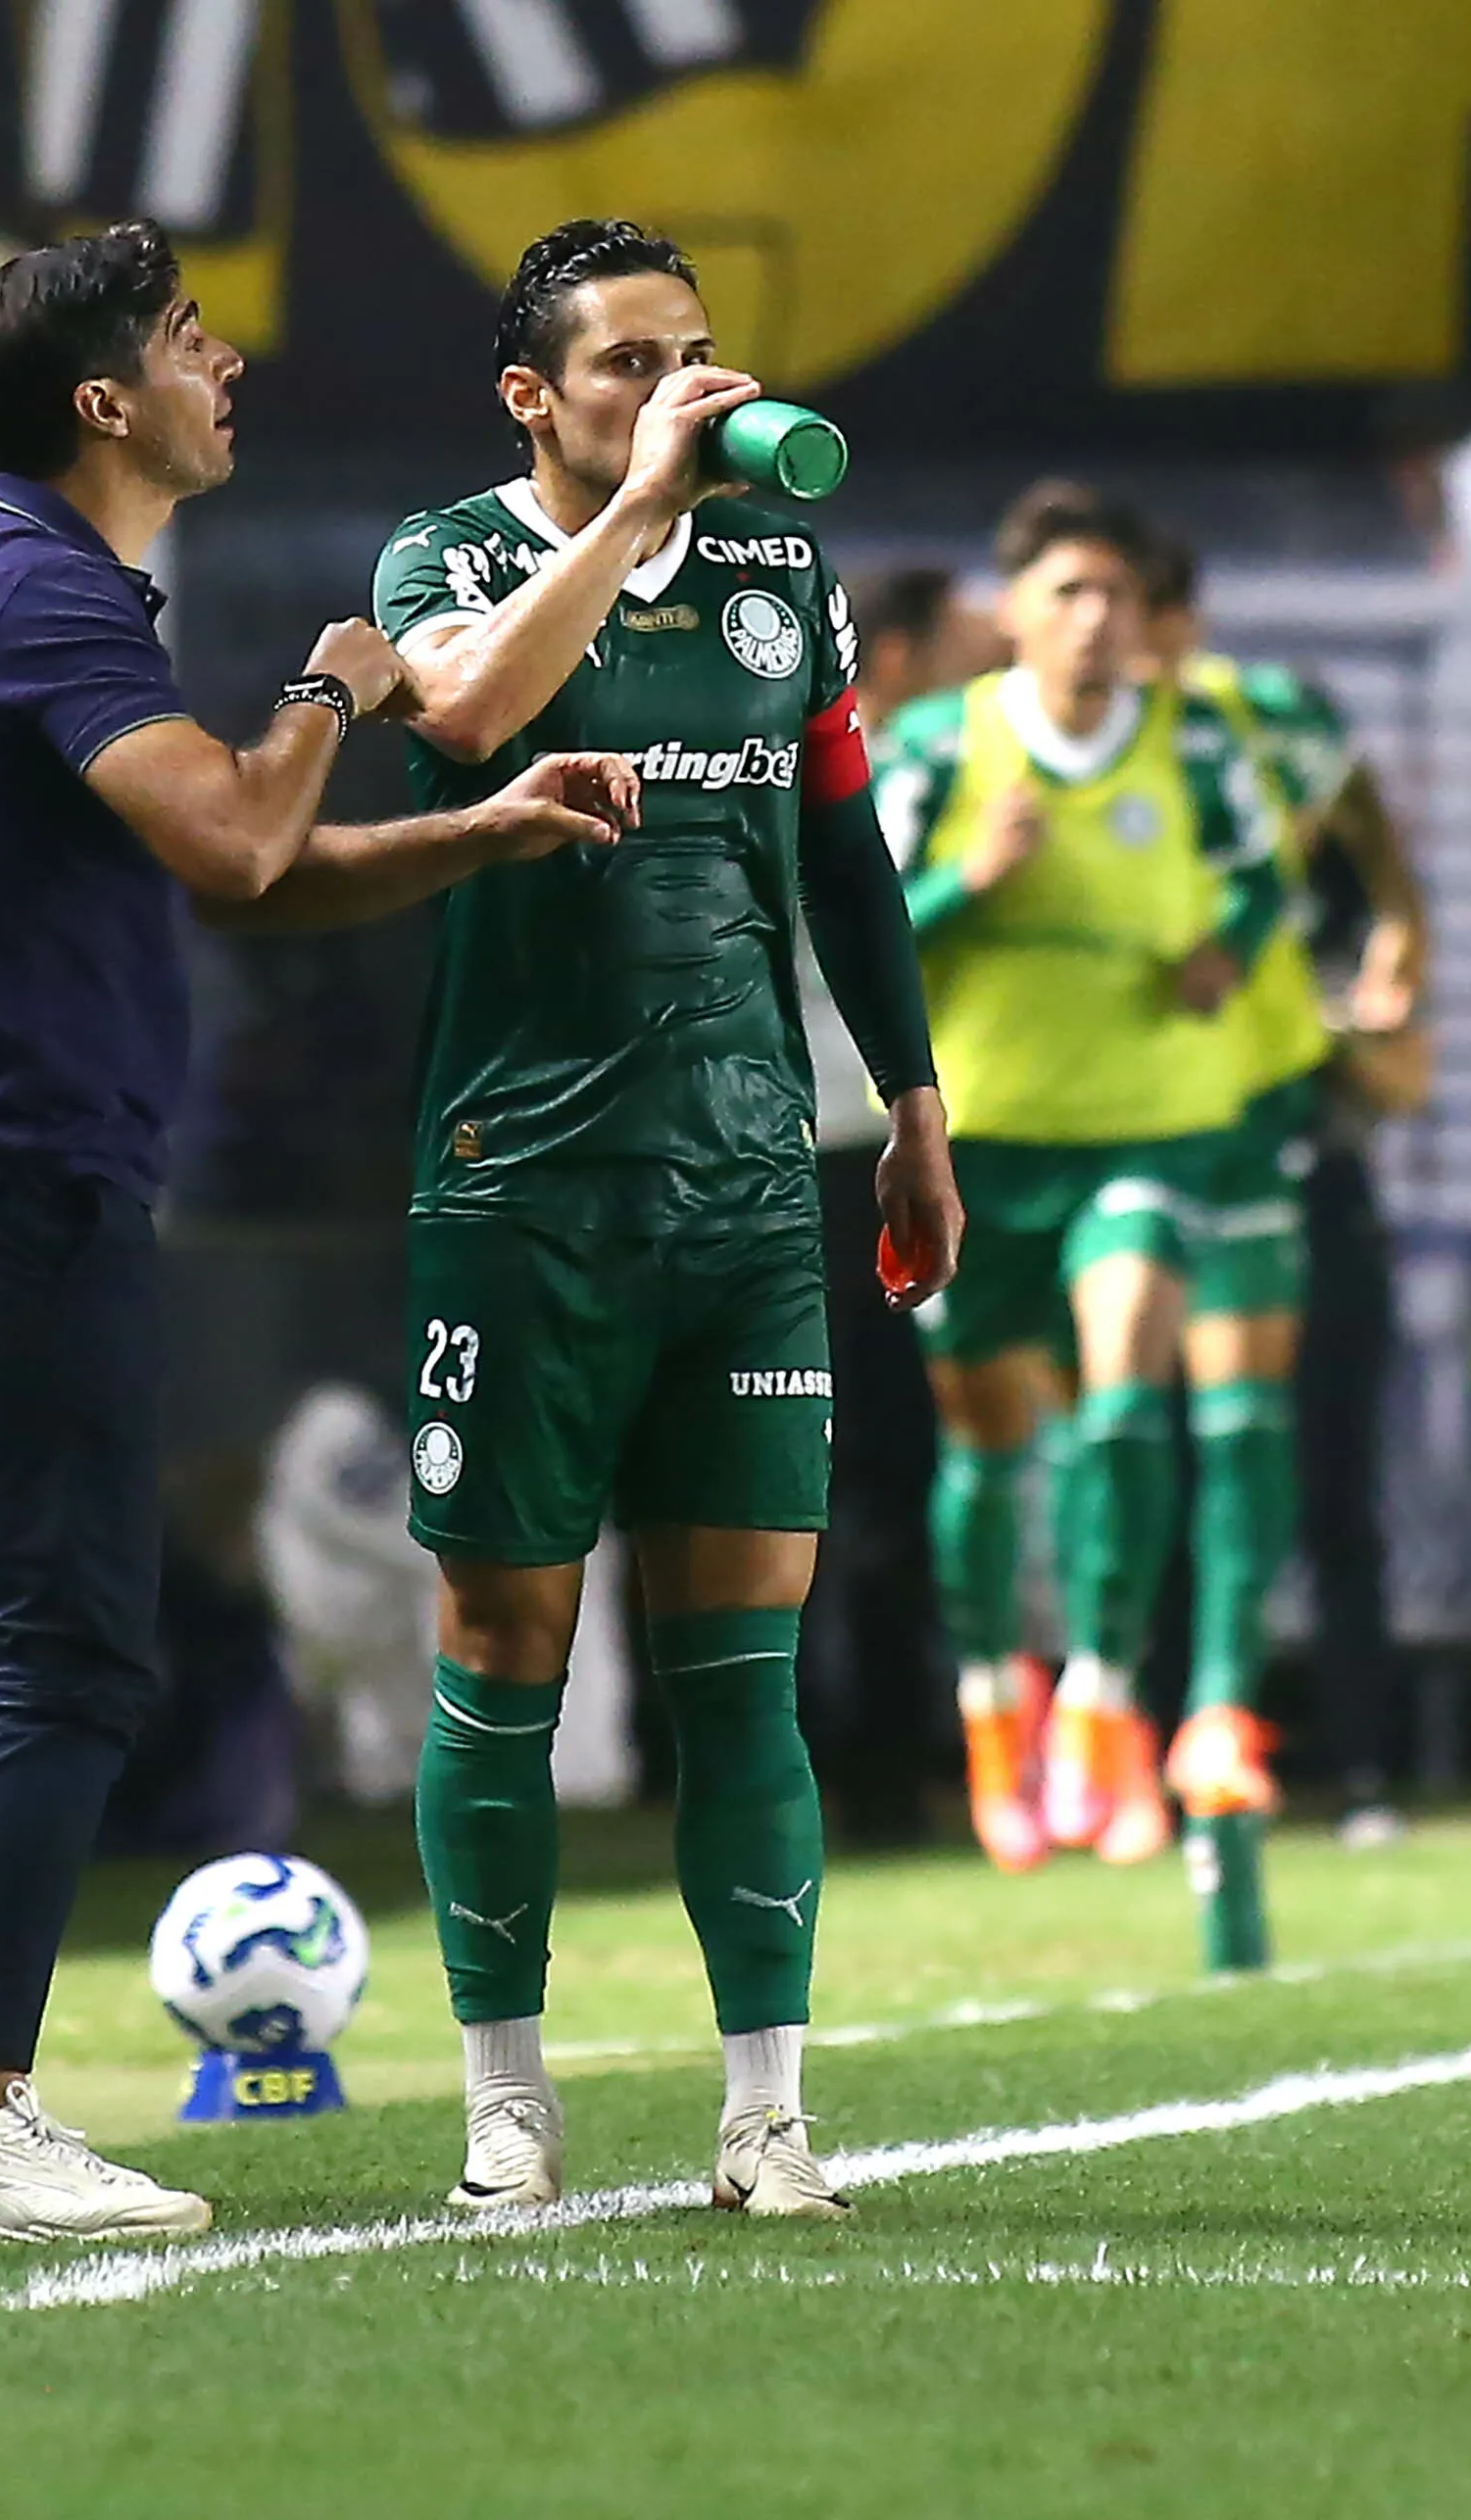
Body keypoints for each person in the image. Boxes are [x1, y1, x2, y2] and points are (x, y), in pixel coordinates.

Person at [0, 221, 634, 2252]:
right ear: (107, 401)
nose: (229, 360)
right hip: (12, 1177)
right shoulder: (37, 587)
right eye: (191, 338)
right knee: (73, 1649)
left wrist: (479, 825)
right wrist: (334, 687)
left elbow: (239, 877)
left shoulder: (35, 585)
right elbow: (246, 828)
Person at [374, 219, 959, 2220]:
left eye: (694, 354)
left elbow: (847, 843)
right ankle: (505, 2092)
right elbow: (458, 718)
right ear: (531, 395)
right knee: (504, 1639)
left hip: (743, 1179)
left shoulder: (786, 571)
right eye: (627, 362)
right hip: (518, 1183)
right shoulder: (445, 557)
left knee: (742, 1659)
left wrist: (910, 1102)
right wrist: (629, 512)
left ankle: (766, 2114)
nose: (679, 391)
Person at [883, 482, 1281, 1878]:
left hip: (1148, 1127)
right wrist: (965, 882)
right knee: (986, 1450)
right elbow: (853, 919)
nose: (1096, 620)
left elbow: (1258, 878)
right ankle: (996, 1706)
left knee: (1121, 1407)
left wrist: (1225, 945)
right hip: (977, 1140)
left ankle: (1106, 1707)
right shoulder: (939, 747)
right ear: (1015, 614)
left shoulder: (1196, 743)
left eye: (1116, 595)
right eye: (1067, 594)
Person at [1136, 531, 1432, 1959]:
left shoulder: (1273, 726)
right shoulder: (1054, 764)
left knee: (1328, 1488)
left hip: (1301, 1164)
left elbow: (1381, 871)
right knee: (1162, 1475)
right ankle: (1159, 1764)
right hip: (1151, 1158)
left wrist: (1370, 990)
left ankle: (1363, 1769)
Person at [793, 565, 1006, 1851]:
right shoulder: (840, 775)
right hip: (829, 1156)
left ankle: (887, 1760)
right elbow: (839, 925)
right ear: (907, 657)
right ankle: (843, 1761)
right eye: (972, 653)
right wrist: (972, 878)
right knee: (847, 1474)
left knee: (892, 1473)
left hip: (887, 1151)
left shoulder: (926, 777)